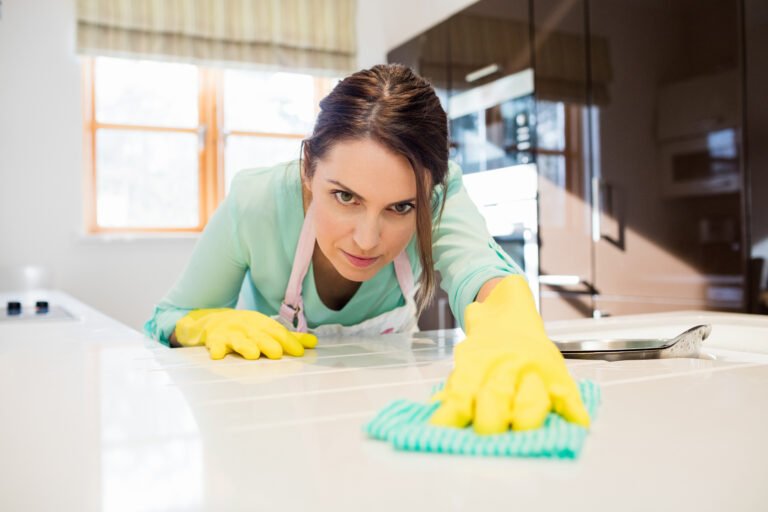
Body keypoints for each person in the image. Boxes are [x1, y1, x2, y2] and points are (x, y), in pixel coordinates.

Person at [144, 64, 589, 433]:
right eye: (344, 197)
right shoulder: (256, 202)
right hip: (266, 424)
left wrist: (510, 322)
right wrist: (203, 324)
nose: (367, 239)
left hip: (386, 422)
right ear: (308, 170)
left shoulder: (438, 198)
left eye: (400, 207)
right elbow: (165, 319)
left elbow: (480, 270)